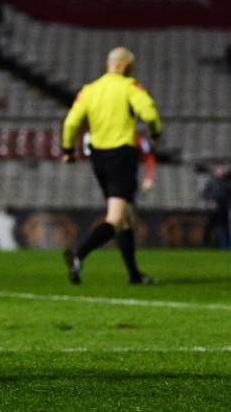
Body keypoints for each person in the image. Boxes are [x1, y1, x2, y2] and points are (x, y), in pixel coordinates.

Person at [60, 46, 162, 286]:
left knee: (126, 218)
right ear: (126, 65)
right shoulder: (129, 87)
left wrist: (68, 150)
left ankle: (134, 275)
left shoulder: (89, 90)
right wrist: (155, 133)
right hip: (121, 156)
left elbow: (71, 122)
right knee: (116, 217)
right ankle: (78, 255)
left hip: (99, 158)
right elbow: (149, 112)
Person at [201, 163, 231, 249]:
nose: (219, 173)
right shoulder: (211, 183)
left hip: (224, 208)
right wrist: (210, 201)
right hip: (213, 209)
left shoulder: (228, 184)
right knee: (209, 227)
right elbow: (204, 194)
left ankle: (229, 246)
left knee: (226, 228)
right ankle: (206, 246)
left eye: (220, 171)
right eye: (217, 171)